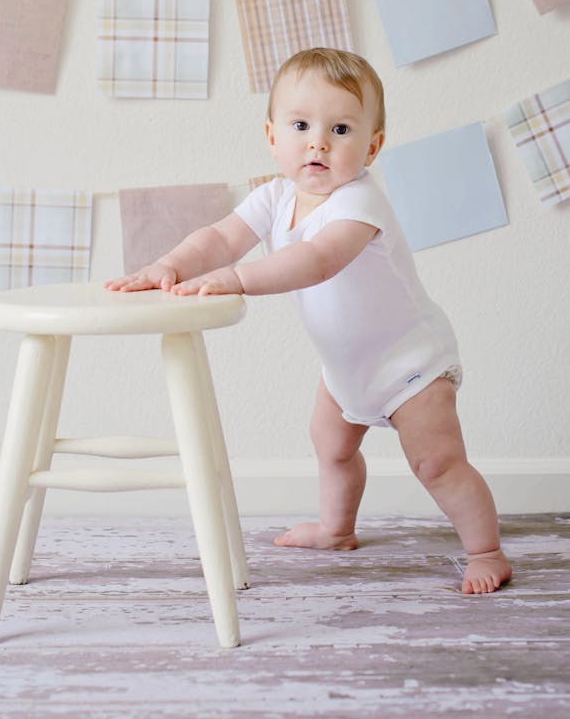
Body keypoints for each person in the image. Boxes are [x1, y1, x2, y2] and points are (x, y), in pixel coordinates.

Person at [105, 47, 512, 595]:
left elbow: (317, 261)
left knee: (437, 463)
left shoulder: (359, 203)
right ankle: (336, 528)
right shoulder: (273, 197)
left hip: (411, 364)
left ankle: (486, 550)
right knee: (332, 446)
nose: (318, 141)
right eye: (301, 125)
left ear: (372, 146)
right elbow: (221, 238)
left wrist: (239, 278)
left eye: (340, 128)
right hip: (345, 367)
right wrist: (169, 265)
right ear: (273, 136)